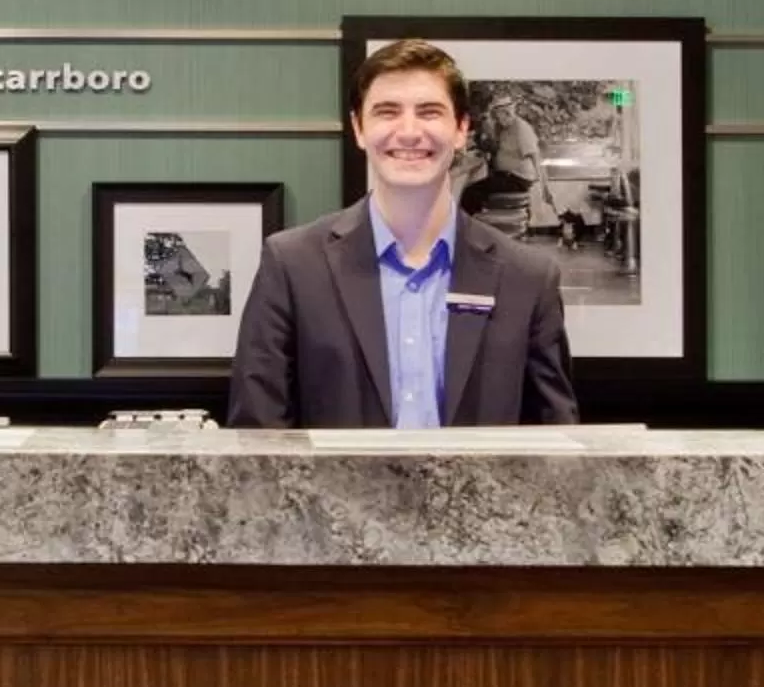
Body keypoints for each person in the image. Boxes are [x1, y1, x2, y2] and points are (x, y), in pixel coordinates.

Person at [228, 38, 578, 428]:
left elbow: (555, 455)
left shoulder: (528, 278)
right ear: (359, 128)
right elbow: (257, 447)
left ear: (461, 129)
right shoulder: (292, 266)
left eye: (429, 112)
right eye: (387, 112)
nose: (409, 132)